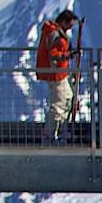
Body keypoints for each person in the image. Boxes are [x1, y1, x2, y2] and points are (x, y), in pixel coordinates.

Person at [35, 10, 81, 143]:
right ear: (63, 22)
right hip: (55, 74)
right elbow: (54, 55)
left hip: (60, 73)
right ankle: (50, 135)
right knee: (59, 105)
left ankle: (60, 130)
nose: (70, 28)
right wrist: (67, 55)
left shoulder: (53, 32)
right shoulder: (55, 34)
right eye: (69, 25)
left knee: (67, 99)